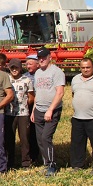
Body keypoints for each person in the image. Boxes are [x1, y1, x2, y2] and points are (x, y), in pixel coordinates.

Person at [30, 48, 65, 176]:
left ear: (50, 57)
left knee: (46, 138)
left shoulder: (56, 72)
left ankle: (52, 165)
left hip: (52, 110)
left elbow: (60, 93)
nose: (42, 60)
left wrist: (50, 110)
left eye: (44, 57)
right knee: (40, 139)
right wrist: (34, 110)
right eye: (39, 58)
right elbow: (37, 93)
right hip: (39, 109)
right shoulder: (38, 73)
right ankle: (46, 163)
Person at [70, 57, 93, 174]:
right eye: (83, 67)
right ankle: (77, 165)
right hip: (78, 117)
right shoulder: (75, 79)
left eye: (88, 67)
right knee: (77, 143)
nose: (85, 70)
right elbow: (73, 94)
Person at [5, 58, 34, 169]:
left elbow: (31, 97)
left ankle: (25, 162)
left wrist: (25, 105)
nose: (14, 70)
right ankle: (9, 162)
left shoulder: (27, 80)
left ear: (20, 68)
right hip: (9, 113)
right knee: (9, 139)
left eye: (16, 67)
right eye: (12, 68)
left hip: (23, 113)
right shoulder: (6, 79)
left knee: (24, 139)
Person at [24, 54, 41, 164]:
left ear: (37, 64)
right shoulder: (25, 76)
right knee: (28, 132)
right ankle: (29, 154)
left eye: (30, 64)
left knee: (36, 132)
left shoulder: (40, 76)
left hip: (38, 106)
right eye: (26, 64)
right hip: (26, 106)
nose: (28, 66)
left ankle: (36, 156)